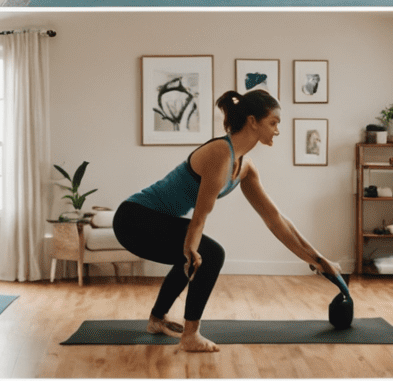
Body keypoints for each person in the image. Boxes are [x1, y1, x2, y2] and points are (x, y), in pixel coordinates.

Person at [113, 89, 343, 354]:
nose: (277, 130)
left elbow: (276, 220)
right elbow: (200, 216)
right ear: (253, 121)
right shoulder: (221, 152)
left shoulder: (245, 166)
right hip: (135, 218)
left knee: (195, 254)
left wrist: (316, 259)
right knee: (209, 254)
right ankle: (190, 335)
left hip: (154, 220)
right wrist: (191, 248)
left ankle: (156, 320)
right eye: (274, 122)